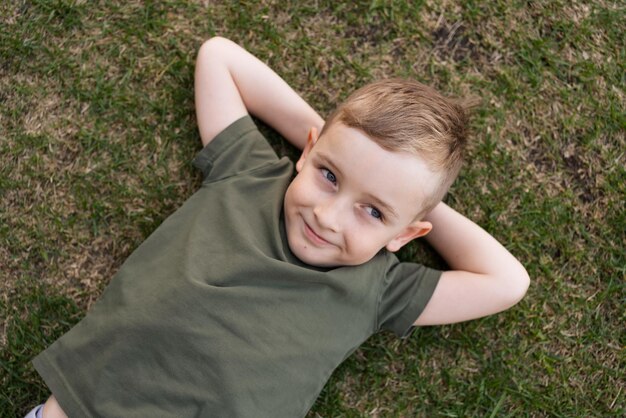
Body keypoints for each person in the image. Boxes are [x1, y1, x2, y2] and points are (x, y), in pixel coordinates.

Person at [26, 36, 529, 418]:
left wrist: (415, 202)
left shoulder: (380, 287)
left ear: (405, 236)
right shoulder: (250, 173)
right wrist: (340, 142)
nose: (327, 217)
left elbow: (508, 282)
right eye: (329, 176)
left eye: (372, 212)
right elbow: (219, 56)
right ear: (307, 151)